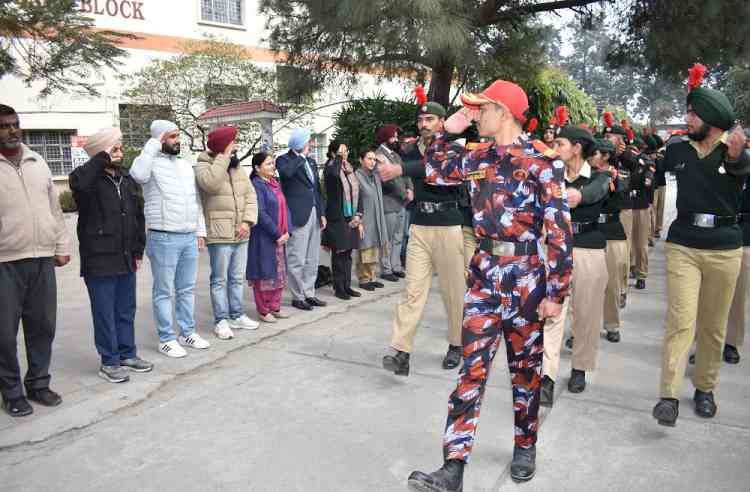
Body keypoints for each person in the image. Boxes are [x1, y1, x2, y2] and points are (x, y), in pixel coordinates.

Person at [400, 80, 573, 488]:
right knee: (470, 370)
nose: (476, 115)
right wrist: (449, 130)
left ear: (505, 112)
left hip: (527, 275)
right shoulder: (477, 155)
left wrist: (556, 292)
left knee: (525, 371)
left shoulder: (543, 161)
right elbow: (435, 170)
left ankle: (525, 444)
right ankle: (453, 466)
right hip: (483, 273)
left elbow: (559, 230)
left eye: (482, 109)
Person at [652, 66, 750, 427]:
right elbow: (655, 168)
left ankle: (705, 388)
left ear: (711, 119)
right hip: (683, 246)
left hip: (725, 249)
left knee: (712, 326)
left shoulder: (735, 153)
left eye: (693, 114)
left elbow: (739, 167)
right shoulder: (678, 148)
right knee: (681, 322)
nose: (686, 118)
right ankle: (668, 395)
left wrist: (737, 154)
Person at [377, 100, 469, 374]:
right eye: (421, 120)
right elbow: (398, 164)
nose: (424, 124)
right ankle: (401, 351)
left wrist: (400, 169)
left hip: (449, 226)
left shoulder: (455, 147)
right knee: (412, 292)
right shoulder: (408, 150)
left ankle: (456, 344)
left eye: (430, 119)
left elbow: (437, 169)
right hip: (419, 226)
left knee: (454, 293)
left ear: (442, 122)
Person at [0, 104, 71, 416]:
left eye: (15, 124)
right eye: (4, 126)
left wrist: (61, 244)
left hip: (42, 258)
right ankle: (12, 391)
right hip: (5, 261)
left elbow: (54, 209)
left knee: (42, 326)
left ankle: (38, 384)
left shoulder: (37, 161)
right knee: (4, 332)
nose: (12, 130)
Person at [69, 127, 152, 384]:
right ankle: (109, 361)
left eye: (120, 146)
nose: (120, 151)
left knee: (125, 309)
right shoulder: (86, 180)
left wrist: (138, 250)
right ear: (101, 152)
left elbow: (138, 217)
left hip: (126, 256)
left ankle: (128, 353)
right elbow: (80, 183)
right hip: (99, 259)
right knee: (105, 313)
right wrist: (100, 159)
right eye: (113, 147)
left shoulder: (125, 179)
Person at [541, 126, 611, 405]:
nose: (554, 147)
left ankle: (579, 368)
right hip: (554, 249)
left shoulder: (600, 176)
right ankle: (546, 376)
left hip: (589, 250)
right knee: (550, 314)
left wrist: (577, 196)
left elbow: (596, 191)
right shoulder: (549, 174)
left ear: (577, 148)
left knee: (586, 314)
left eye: (560, 143)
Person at [129, 120, 211, 358]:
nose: (178, 140)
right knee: (164, 291)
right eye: (173, 136)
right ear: (161, 138)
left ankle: (187, 332)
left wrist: (200, 231)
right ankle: (166, 338)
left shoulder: (185, 165)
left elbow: (195, 201)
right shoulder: (149, 163)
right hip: (163, 236)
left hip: (188, 236)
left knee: (186, 289)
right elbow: (137, 175)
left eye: (177, 136)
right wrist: (154, 143)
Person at [195, 126, 259, 340]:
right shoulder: (204, 165)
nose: (237, 146)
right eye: (233, 143)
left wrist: (247, 222)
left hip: (241, 232)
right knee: (219, 280)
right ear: (223, 146)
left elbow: (251, 195)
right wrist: (223, 157)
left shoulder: (237, 167)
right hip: (219, 233)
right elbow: (211, 185)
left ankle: (237, 314)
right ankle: (221, 320)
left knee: (236, 278)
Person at [276, 128, 327, 311]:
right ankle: (297, 296)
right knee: (297, 256)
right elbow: (286, 174)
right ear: (300, 143)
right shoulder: (284, 159)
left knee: (312, 257)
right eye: (308, 141)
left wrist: (322, 213)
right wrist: (300, 157)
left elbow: (316, 189)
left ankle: (309, 292)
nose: (311, 144)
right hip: (298, 214)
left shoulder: (311, 162)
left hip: (314, 212)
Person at [591, 138, 630, 343]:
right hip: (590, 233)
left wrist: (613, 182)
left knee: (612, 284)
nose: (591, 157)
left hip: (612, 233)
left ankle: (612, 325)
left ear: (606, 156)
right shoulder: (585, 175)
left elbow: (622, 201)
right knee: (586, 285)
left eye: (595, 153)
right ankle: (581, 330)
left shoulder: (618, 175)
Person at [247, 152, 292, 323]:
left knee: (279, 275)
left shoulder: (275, 183)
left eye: (273, 163)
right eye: (268, 164)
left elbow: (285, 207)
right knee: (264, 274)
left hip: (281, 236)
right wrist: (277, 234)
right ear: (257, 168)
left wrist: (287, 231)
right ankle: (263, 310)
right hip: (265, 237)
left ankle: (275, 306)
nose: (272, 166)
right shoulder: (256, 185)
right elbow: (261, 213)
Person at [322, 140, 363, 300]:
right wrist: (338, 159)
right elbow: (333, 174)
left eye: (346, 151)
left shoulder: (349, 169)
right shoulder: (330, 168)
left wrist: (358, 214)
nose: (345, 154)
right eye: (341, 152)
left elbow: (357, 192)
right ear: (333, 153)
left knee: (348, 253)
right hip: (337, 217)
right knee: (339, 253)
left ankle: (347, 285)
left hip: (351, 216)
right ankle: (339, 288)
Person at [375, 124, 412, 281]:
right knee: (387, 238)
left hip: (401, 202)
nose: (396, 139)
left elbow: (405, 174)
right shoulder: (378, 155)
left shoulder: (396, 156)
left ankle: (396, 266)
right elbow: (388, 180)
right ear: (385, 138)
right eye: (394, 136)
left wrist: (410, 188)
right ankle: (386, 269)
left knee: (399, 237)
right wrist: (405, 194)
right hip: (389, 202)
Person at [724, 173, 750, 364]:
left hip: (745, 237)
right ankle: (701, 344)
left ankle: (731, 342)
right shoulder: (716, 163)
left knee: (738, 295)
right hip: (716, 234)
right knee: (706, 295)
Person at [355, 149, 389, 291]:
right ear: (361, 160)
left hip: (377, 217)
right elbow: (355, 200)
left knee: (375, 247)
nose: (372, 162)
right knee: (365, 248)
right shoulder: (356, 176)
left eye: (374, 159)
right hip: (365, 217)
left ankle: (372, 277)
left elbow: (387, 170)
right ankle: (363, 279)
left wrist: (382, 160)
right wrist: (358, 220)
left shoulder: (375, 176)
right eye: (369, 158)